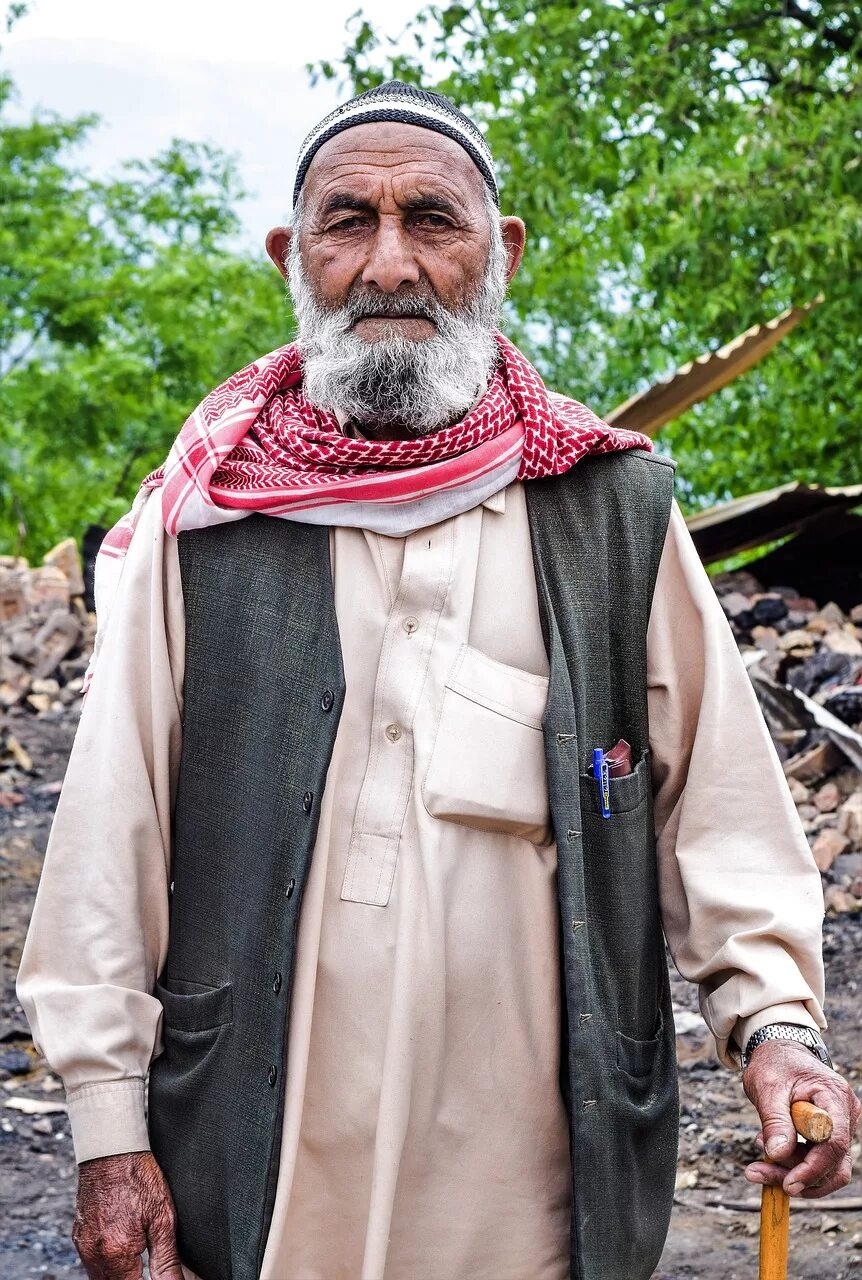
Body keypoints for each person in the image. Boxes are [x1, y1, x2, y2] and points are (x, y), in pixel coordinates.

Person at [17, 81, 859, 1280]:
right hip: (258, 1156)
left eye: (433, 219)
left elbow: (717, 809)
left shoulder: (611, 510)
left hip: (533, 1172)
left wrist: (775, 1027)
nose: (389, 263)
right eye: (347, 222)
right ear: (289, 257)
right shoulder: (203, 521)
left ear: (502, 249)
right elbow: (109, 835)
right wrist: (107, 1132)